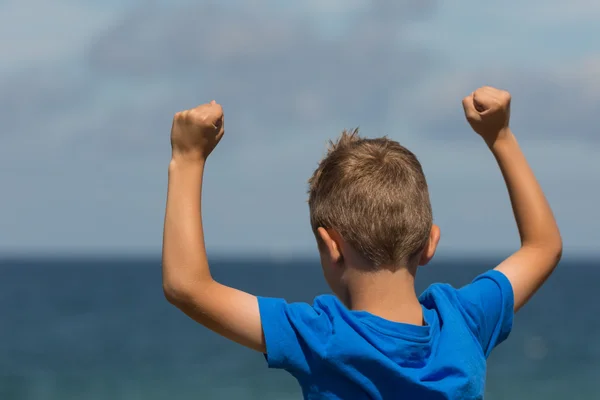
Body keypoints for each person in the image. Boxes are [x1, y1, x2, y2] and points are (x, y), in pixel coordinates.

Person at [162, 87, 562, 399]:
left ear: (330, 245)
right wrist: (501, 137)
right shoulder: (465, 322)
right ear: (430, 243)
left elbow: (187, 286)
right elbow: (542, 247)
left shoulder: (321, 338)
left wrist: (187, 159)